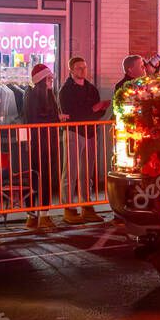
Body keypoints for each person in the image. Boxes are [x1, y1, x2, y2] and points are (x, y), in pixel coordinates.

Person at [58, 57, 106, 225]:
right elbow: (70, 113)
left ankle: (87, 205)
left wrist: (96, 111)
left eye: (84, 67)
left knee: (87, 171)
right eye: (79, 68)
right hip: (73, 132)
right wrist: (92, 110)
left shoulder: (91, 89)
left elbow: (98, 112)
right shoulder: (65, 91)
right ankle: (68, 207)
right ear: (71, 70)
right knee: (70, 171)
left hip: (90, 131)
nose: (83, 71)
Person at [23, 64, 67, 230]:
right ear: (41, 79)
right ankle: (34, 215)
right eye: (48, 78)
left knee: (44, 178)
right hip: (39, 142)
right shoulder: (33, 95)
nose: (51, 81)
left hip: (46, 141)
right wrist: (56, 120)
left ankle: (42, 215)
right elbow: (34, 119)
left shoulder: (48, 94)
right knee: (36, 178)